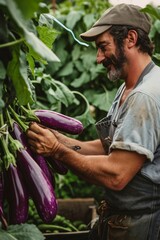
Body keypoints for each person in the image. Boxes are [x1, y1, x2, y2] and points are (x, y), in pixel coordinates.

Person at [26, 3, 160, 240]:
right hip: (123, 218)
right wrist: (61, 140)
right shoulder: (128, 88)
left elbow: (117, 175)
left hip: (143, 225)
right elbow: (115, 146)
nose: (98, 58)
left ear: (130, 38)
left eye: (103, 47)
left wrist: (57, 150)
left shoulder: (144, 96)